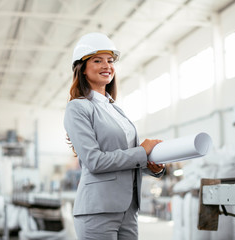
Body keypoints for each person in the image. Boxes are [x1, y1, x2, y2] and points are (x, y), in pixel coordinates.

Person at [64, 32, 166, 240]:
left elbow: (125, 156)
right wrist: (141, 151)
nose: (107, 66)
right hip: (98, 210)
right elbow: (95, 161)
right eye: (97, 60)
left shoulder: (116, 110)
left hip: (128, 209)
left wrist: (150, 165)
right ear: (82, 68)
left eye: (110, 61)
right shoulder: (78, 108)